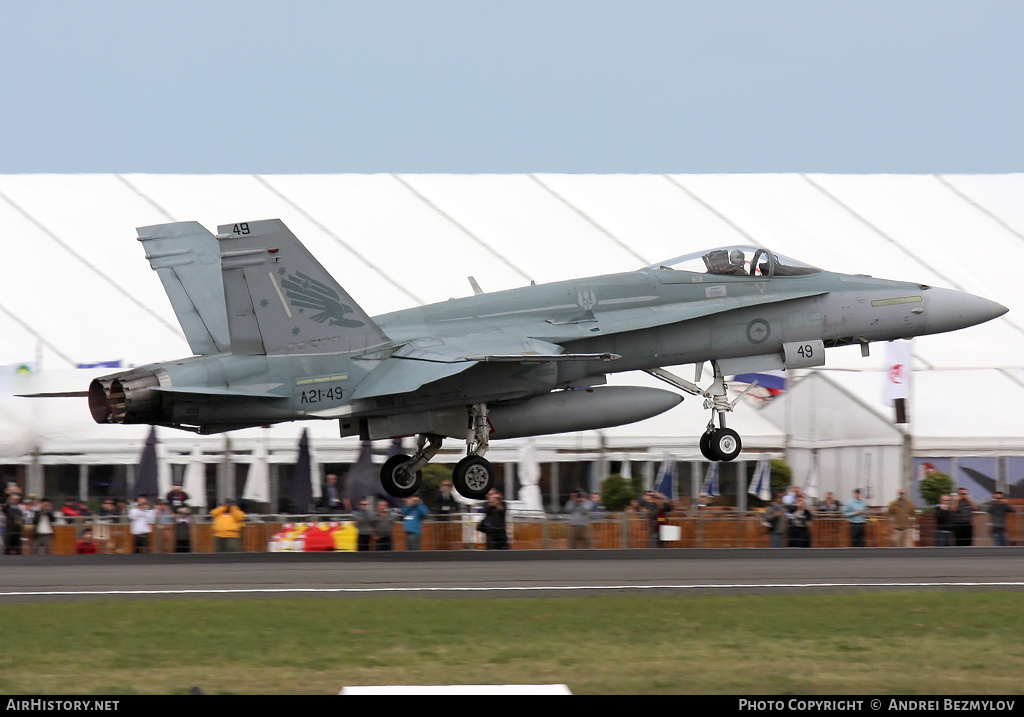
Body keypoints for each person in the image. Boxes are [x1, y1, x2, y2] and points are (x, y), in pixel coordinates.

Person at [433, 479, 461, 549]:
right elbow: (436, 500)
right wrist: (444, 493)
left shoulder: (451, 495)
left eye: (448, 485)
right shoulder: (438, 493)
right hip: (439, 515)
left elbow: (454, 503)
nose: (447, 487)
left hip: (448, 515)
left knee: (447, 532)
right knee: (439, 532)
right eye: (445, 485)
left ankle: (447, 546)